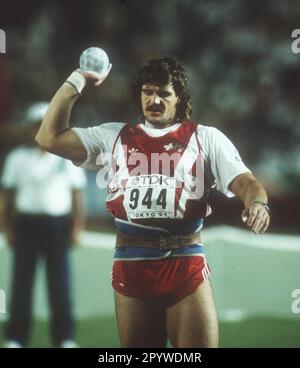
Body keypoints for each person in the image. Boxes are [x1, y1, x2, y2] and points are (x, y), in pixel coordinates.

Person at [35, 56, 270, 348]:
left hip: (184, 263)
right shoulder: (114, 136)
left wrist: (258, 204)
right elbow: (48, 138)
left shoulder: (205, 138)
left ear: (179, 98)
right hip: (132, 264)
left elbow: (247, 182)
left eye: (163, 92)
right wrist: (78, 79)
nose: (154, 99)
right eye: (148, 91)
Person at [1, 102, 87, 348]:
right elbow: (7, 197)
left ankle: (65, 338)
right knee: (21, 284)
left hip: (56, 225)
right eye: (35, 126)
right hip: (26, 225)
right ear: (29, 129)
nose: (40, 130)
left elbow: (77, 195)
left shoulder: (66, 158)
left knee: (60, 283)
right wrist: (7, 227)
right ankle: (16, 337)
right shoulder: (17, 158)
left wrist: (77, 227)